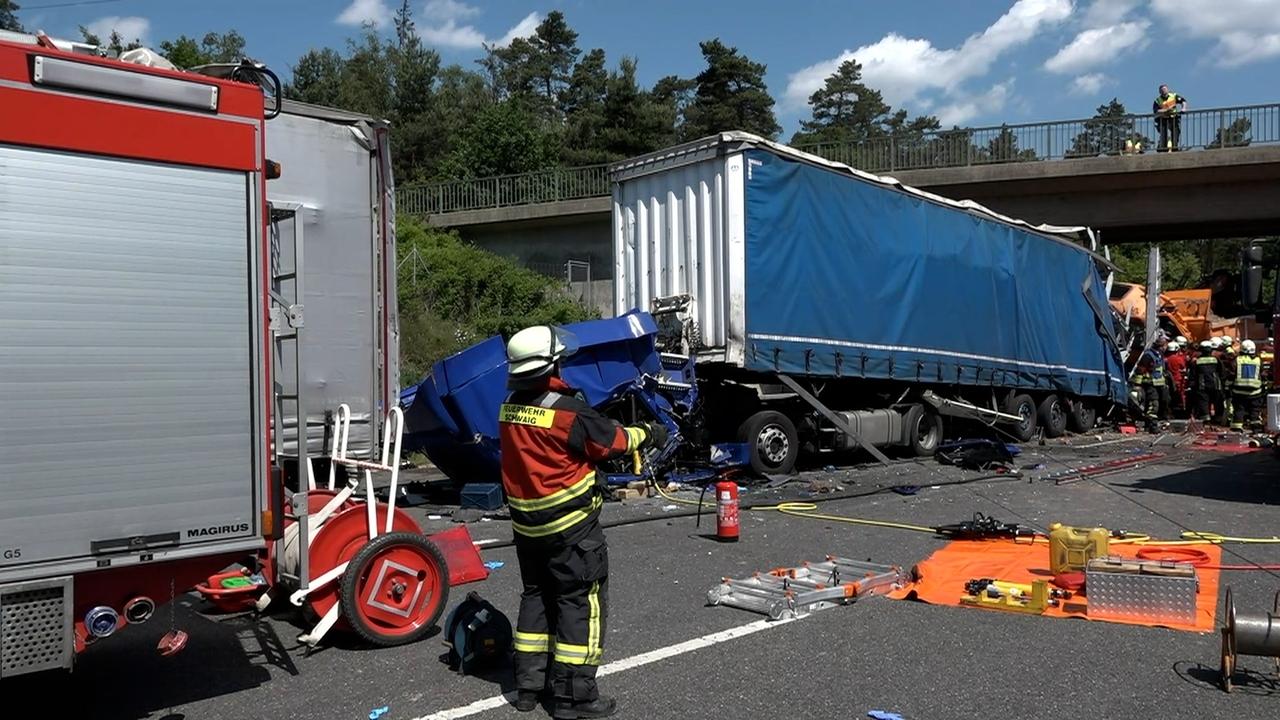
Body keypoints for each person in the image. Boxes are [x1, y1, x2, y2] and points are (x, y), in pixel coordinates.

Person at [499, 324, 666, 719]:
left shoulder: (508, 406)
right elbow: (614, 442)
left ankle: (528, 687)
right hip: (572, 528)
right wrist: (651, 432)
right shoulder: (567, 412)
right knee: (580, 604)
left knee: (536, 599)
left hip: (527, 529)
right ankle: (575, 699)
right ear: (551, 365)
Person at [1231, 339, 1264, 430]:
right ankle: (1256, 428)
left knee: (1239, 410)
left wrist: (1228, 388)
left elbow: (1231, 374)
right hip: (1255, 392)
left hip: (1239, 392)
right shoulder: (1258, 360)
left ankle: (1237, 428)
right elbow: (1262, 374)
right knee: (1255, 411)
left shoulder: (1237, 360)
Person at [1192, 340, 1223, 424]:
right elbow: (1222, 372)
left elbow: (1193, 374)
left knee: (1203, 402)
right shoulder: (1216, 360)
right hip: (1216, 385)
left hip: (1202, 385)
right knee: (1218, 402)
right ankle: (1218, 418)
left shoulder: (1197, 361)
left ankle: (1206, 419)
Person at [1153, 84, 1187, 152]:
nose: (1164, 91)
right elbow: (1156, 111)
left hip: (1173, 117)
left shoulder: (1173, 96)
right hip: (1163, 118)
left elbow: (1183, 101)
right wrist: (1166, 110)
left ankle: (1175, 148)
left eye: (1165, 89)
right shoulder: (1158, 100)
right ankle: (1164, 149)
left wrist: (1184, 108)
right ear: (1160, 92)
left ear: (1167, 90)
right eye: (1162, 90)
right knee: (1163, 134)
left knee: (1175, 133)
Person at [1165, 341, 1187, 417]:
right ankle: (1181, 411)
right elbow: (1184, 369)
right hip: (1178, 380)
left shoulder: (1165, 359)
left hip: (1168, 381)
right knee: (1180, 396)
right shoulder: (1178, 359)